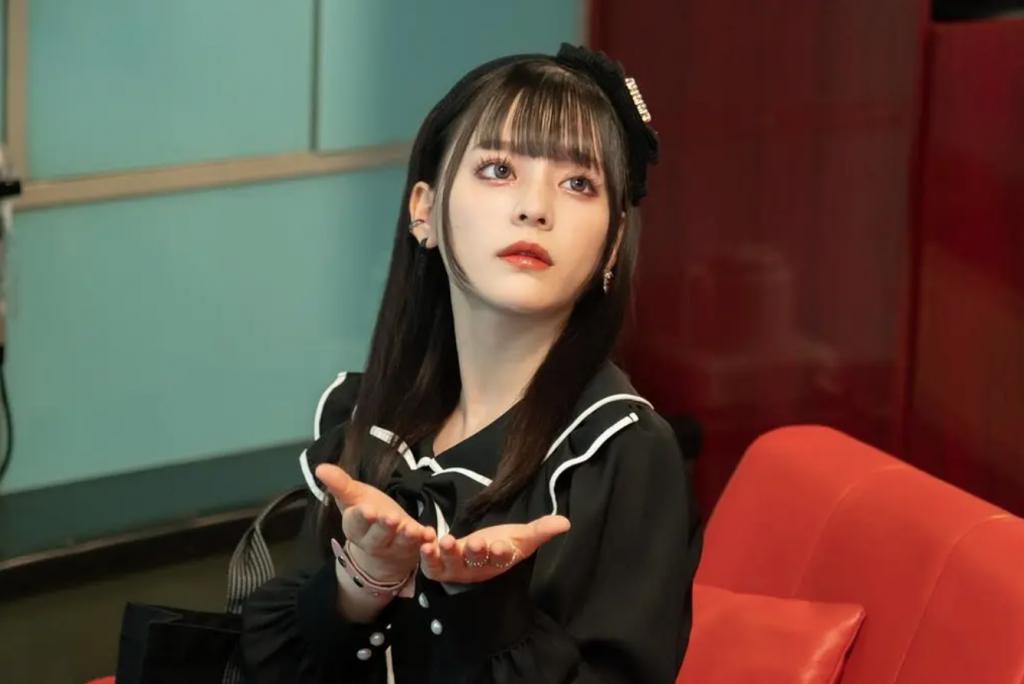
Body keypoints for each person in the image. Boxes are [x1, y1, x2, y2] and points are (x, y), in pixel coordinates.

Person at [240, 42, 703, 683]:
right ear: (424, 210)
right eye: (498, 169)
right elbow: (274, 665)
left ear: (612, 243)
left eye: (578, 183)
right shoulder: (368, 416)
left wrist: (487, 608)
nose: (535, 207)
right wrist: (362, 582)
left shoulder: (623, 454)